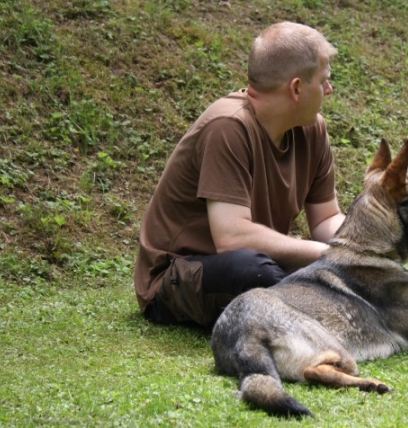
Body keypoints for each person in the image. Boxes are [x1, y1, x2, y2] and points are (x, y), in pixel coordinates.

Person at [134, 21, 345, 327]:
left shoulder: (312, 129)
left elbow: (326, 219)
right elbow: (232, 238)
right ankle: (322, 317)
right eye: (323, 81)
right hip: (178, 278)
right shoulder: (227, 127)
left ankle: (316, 310)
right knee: (253, 269)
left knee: (282, 271)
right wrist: (326, 254)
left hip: (257, 262)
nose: (329, 89)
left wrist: (361, 248)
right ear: (297, 88)